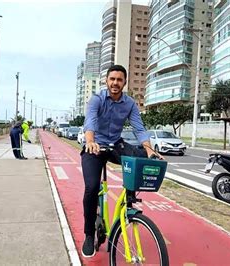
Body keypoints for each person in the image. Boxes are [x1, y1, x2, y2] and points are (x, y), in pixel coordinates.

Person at [80, 64, 162, 257]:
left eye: (119, 80)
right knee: (91, 188)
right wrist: (90, 141)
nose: (115, 83)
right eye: (112, 79)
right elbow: (90, 122)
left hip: (115, 144)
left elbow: (139, 129)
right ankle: (89, 235)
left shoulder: (130, 104)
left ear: (124, 82)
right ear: (106, 81)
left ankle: (129, 203)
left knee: (140, 157)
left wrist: (150, 150)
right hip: (96, 146)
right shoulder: (97, 99)